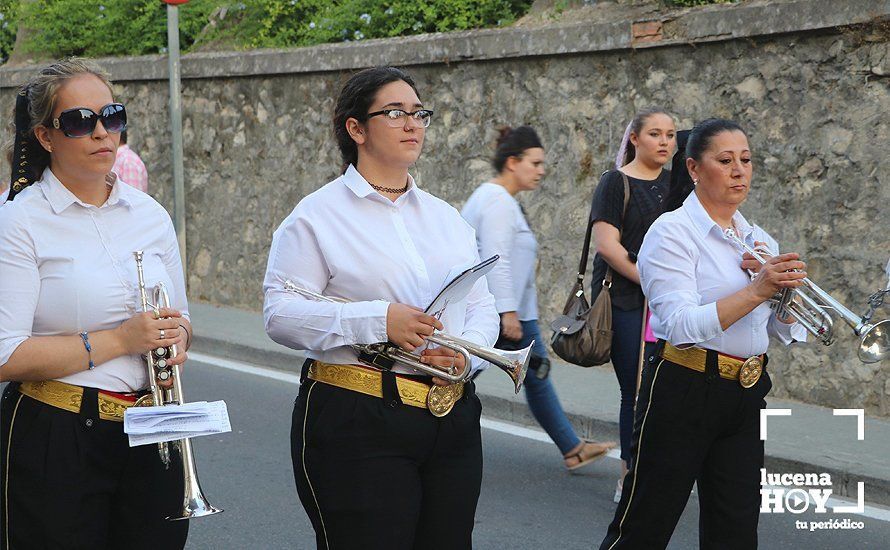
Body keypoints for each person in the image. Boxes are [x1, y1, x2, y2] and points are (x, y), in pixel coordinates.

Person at [263, 66, 499, 549]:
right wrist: (378, 319)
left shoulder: (446, 217)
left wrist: (467, 356)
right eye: (394, 113)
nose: (413, 123)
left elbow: (481, 304)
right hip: (358, 416)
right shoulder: (316, 215)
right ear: (356, 129)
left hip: (450, 415)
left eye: (419, 113)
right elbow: (280, 314)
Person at [0, 59, 191, 548]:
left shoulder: (151, 214)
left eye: (112, 116)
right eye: (81, 122)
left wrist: (177, 339)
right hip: (58, 432)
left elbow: (182, 318)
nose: (102, 132)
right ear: (46, 137)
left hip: (151, 427)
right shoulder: (19, 221)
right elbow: (5, 355)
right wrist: (121, 340)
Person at [598, 118, 808, 549]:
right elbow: (677, 326)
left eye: (746, 161)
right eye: (726, 160)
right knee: (645, 526)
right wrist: (756, 290)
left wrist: (787, 299)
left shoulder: (758, 238)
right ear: (694, 169)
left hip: (746, 393)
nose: (739, 171)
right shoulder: (672, 232)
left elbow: (782, 331)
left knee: (736, 530)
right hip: (684, 387)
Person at [461, 125, 616, 470]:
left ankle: (572, 447)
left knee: (532, 375)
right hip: (504, 314)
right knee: (472, 372)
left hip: (511, 312)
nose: (541, 171)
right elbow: (496, 259)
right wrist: (508, 313)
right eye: (535, 163)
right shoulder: (498, 202)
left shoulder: (499, 200)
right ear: (513, 162)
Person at [588, 107, 676, 502]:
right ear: (635, 139)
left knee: (665, 389)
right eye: (655, 134)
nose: (664, 142)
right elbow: (607, 245)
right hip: (626, 299)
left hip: (668, 304)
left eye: (671, 135)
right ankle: (629, 473)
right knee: (636, 389)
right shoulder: (615, 182)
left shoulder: (677, 186)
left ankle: (657, 467)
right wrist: (653, 283)